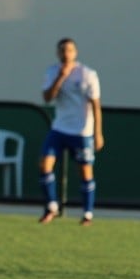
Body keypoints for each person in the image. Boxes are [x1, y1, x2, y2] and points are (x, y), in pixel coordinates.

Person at [38, 37, 103, 226]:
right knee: (44, 164)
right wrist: (60, 77)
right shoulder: (52, 72)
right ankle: (51, 206)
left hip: (82, 131)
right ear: (58, 53)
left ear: (75, 53)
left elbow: (96, 105)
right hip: (59, 128)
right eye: (62, 51)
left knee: (85, 171)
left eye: (69, 50)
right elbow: (47, 98)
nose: (66, 54)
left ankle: (87, 214)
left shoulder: (88, 74)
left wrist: (98, 133)